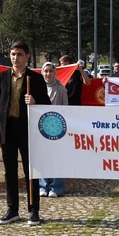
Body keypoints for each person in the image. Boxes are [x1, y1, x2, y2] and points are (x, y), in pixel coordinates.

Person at [0, 42, 51, 226]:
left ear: (27, 57)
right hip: (7, 128)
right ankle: (12, 210)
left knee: (30, 170)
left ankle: (34, 210)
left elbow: (47, 105)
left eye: (19, 54)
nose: (15, 57)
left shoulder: (36, 78)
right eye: (12, 54)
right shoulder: (1, 77)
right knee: (9, 171)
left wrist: (35, 101)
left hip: (28, 130)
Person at [38, 62, 68, 198]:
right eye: (46, 71)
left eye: (50, 71)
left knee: (57, 157)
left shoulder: (61, 89)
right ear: (42, 72)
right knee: (42, 157)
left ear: (54, 72)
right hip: (40, 128)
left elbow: (65, 110)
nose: (48, 74)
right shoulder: (37, 88)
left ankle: (56, 187)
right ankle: (43, 185)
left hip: (57, 128)